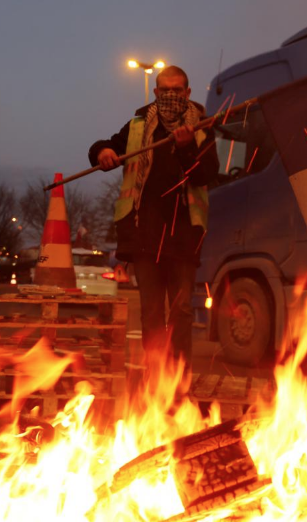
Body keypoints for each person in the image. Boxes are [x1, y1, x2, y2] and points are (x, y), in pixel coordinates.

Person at [88, 65, 218, 375]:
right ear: (156, 92)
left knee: (181, 311)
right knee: (150, 313)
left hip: (184, 237)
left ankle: (179, 378)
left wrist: (187, 149)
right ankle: (155, 378)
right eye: (165, 90)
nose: (171, 95)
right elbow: (104, 148)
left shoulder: (202, 126)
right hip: (144, 237)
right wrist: (102, 152)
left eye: (178, 90)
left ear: (187, 93)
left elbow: (207, 174)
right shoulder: (137, 125)